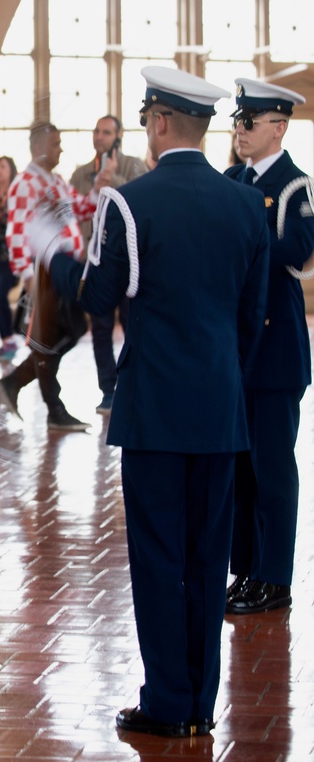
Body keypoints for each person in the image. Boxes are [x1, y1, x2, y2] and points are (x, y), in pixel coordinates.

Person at [36, 66, 269, 738]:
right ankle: (201, 702)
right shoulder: (244, 206)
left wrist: (58, 252)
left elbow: (95, 301)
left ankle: (168, 702)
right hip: (222, 410)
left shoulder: (128, 204)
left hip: (156, 412)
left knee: (161, 559)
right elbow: (251, 320)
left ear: (160, 123)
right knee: (206, 558)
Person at [224, 79, 313, 616]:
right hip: (238, 347)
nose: (240, 130)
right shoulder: (232, 178)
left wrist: (244, 231)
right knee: (240, 469)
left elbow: (298, 252)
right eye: (238, 121)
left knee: (273, 469)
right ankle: (246, 571)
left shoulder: (294, 185)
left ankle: (274, 577)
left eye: (250, 122)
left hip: (275, 349)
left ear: (278, 127)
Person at [0, 122, 110, 431]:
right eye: (56, 143)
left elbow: (79, 209)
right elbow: (16, 231)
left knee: (63, 333)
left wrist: (99, 188)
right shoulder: (25, 183)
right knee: (54, 337)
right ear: (40, 146)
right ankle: (52, 408)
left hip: (64, 271)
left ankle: (15, 383)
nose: (60, 149)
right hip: (44, 274)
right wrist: (27, 276)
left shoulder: (56, 181)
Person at [69, 116, 147, 414]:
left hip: (129, 264)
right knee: (100, 329)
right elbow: (72, 213)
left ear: (119, 136)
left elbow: (140, 203)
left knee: (132, 325)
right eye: (96, 131)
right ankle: (109, 391)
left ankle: (134, 386)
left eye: (106, 132)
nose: (100, 137)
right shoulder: (79, 173)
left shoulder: (134, 165)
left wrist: (111, 178)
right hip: (95, 264)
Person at [0, 156, 19, 362]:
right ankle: (6, 339)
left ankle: (8, 338)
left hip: (11, 259)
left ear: (11, 170)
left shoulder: (16, 195)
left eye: (2, 166)